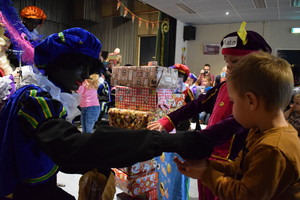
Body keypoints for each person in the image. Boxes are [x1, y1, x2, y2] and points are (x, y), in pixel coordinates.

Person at [0, 27, 213, 200]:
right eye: (80, 66)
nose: (85, 75)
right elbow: (66, 145)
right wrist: (164, 142)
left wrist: (95, 162)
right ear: (58, 63)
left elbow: (53, 154)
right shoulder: (36, 100)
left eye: (89, 68)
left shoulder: (42, 96)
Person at [147, 22, 272, 200]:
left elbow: (231, 125)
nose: (229, 67)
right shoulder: (223, 86)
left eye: (235, 62)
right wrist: (168, 120)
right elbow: (197, 105)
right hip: (209, 155)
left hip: (231, 163)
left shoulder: (256, 96)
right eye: (227, 61)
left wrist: (186, 141)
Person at [175, 51, 300, 200]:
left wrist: (205, 173)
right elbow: (239, 168)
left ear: (251, 101)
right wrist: (207, 165)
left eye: (233, 102)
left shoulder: (271, 148)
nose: (232, 108)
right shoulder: (259, 131)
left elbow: (243, 195)